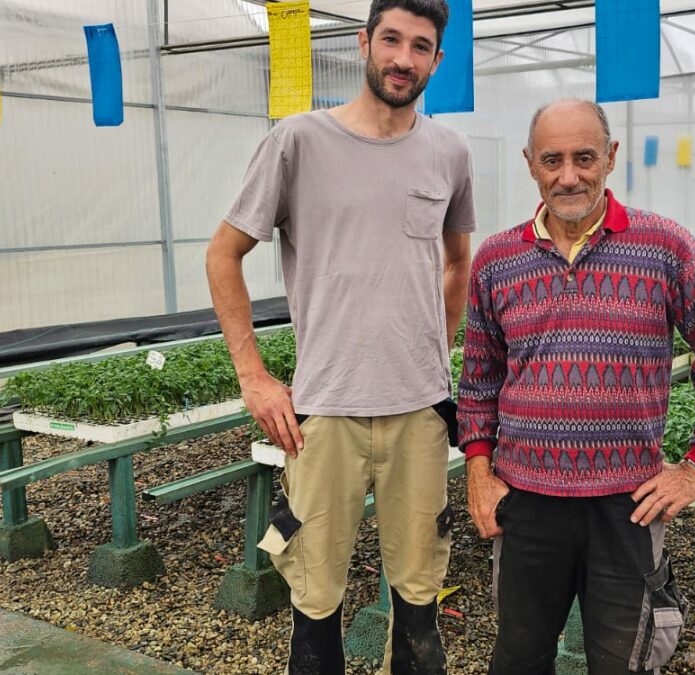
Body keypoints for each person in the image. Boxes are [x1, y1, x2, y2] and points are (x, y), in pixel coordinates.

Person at [205, 1, 475, 672]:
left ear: (437, 61)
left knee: (419, 605)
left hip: (420, 416)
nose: (402, 58)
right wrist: (254, 377)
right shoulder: (297, 141)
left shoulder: (449, 151)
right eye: (391, 39)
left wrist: (431, 352)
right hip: (323, 416)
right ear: (363, 44)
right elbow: (222, 254)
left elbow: (458, 262)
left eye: (420, 46)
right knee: (313, 598)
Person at [458, 99, 695, 675]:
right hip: (526, 502)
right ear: (529, 164)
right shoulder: (496, 259)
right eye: (552, 160)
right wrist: (479, 471)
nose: (568, 175)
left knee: (623, 660)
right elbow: (479, 380)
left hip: (628, 507)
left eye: (584, 157)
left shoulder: (667, 248)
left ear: (611, 157)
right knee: (518, 658)